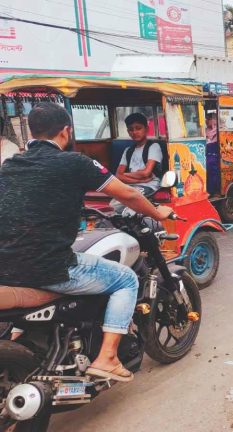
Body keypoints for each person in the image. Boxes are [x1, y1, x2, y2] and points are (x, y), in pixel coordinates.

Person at [0, 102, 173, 382]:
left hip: (7, 267)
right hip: (50, 269)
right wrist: (158, 213)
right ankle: (107, 358)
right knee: (126, 279)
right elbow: (128, 193)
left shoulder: (11, 165)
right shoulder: (75, 162)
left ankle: (25, 337)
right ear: (66, 132)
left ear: (32, 131)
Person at [111, 113, 164, 212]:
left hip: (150, 185)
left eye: (138, 128)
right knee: (113, 203)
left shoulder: (153, 147)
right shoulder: (128, 150)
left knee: (117, 205)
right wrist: (140, 180)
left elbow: (146, 173)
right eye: (131, 129)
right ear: (128, 131)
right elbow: (118, 175)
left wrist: (126, 175)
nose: (134, 132)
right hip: (133, 185)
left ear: (146, 129)